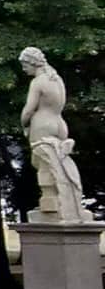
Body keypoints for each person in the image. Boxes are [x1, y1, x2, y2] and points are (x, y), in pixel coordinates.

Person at [18, 47, 87, 226]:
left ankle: (51, 204)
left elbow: (29, 109)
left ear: (33, 63)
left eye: (25, 64)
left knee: (44, 165)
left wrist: (24, 122)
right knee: (60, 164)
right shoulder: (57, 80)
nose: (24, 69)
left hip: (42, 124)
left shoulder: (38, 82)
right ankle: (68, 204)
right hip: (60, 125)